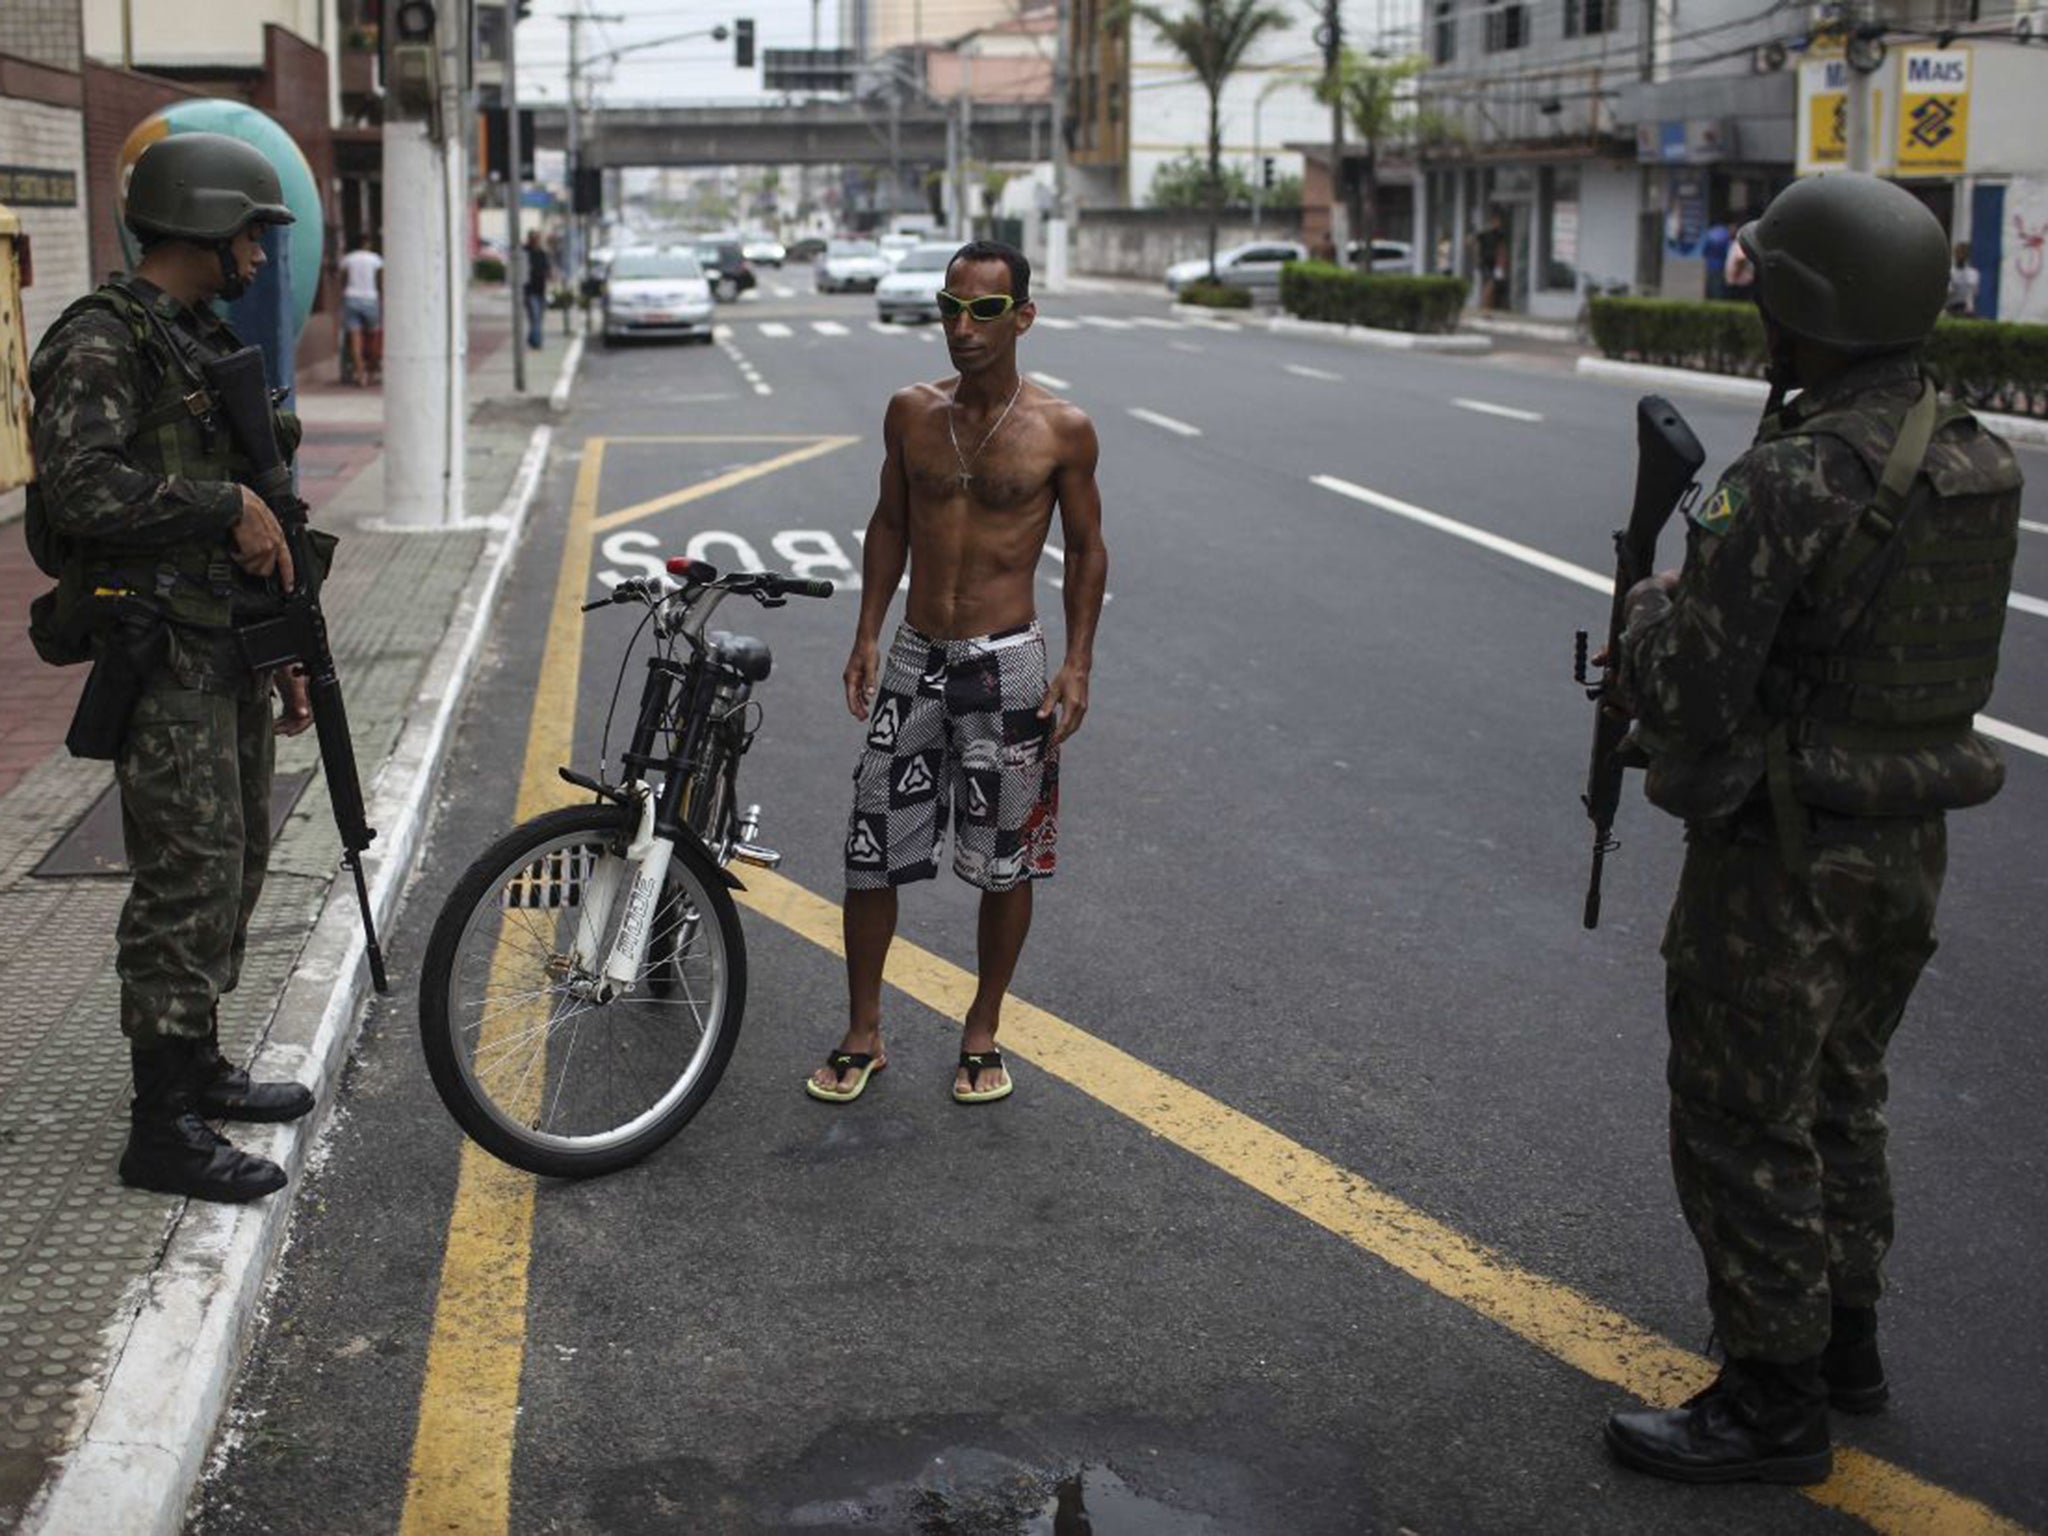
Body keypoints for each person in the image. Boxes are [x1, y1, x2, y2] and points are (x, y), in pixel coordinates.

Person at [1605, 174, 2021, 1485]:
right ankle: (1846, 1346)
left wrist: (1644, 623)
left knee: (1741, 1115)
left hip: (1781, 854)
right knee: (1844, 1094)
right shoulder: (1973, 455)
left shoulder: (1787, 474)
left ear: (1806, 307)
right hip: (1905, 843)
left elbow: (1684, 694)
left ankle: (1770, 1404)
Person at [26, 132, 324, 1203]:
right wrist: (224, 504)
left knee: (235, 861)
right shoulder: (103, 343)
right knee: (185, 877)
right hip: (162, 657)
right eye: (251, 228)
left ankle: (194, 1065)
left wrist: (285, 648)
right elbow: (78, 493)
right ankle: (160, 1129)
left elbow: (264, 507)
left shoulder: (193, 337)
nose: (259, 249)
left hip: (225, 644)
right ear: (201, 224)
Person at [807, 239, 1107, 1108]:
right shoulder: (911, 412)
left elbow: (1087, 550)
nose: (963, 328)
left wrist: (1078, 663)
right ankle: (864, 1028)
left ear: (1022, 317)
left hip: (1008, 665)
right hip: (914, 656)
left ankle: (983, 1026)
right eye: (951, 307)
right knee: (873, 849)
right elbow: (889, 525)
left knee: (1003, 860)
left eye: (984, 310)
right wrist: (867, 632)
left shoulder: (1062, 430)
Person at [337, 233, 382, 386]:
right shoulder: (375, 259)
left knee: (355, 340)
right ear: (367, 243)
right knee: (374, 337)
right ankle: (371, 371)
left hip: (351, 298)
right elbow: (380, 279)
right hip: (370, 298)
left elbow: (342, 278)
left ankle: (360, 375)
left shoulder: (348, 259)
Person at [522, 228, 551, 350]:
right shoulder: (524, 253)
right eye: (533, 238)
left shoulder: (542, 253)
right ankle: (537, 342)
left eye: (537, 238)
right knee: (535, 317)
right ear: (529, 239)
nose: (535, 240)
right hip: (530, 291)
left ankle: (531, 338)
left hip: (541, 290)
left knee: (538, 318)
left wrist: (548, 274)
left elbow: (547, 269)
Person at [1946, 240, 1980, 317]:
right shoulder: (1949, 272)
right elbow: (1948, 292)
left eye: (1964, 253)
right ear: (1954, 254)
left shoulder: (1973, 274)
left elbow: (1974, 294)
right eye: (1959, 253)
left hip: (1966, 311)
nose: (1961, 256)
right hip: (1950, 310)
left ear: (1968, 255)